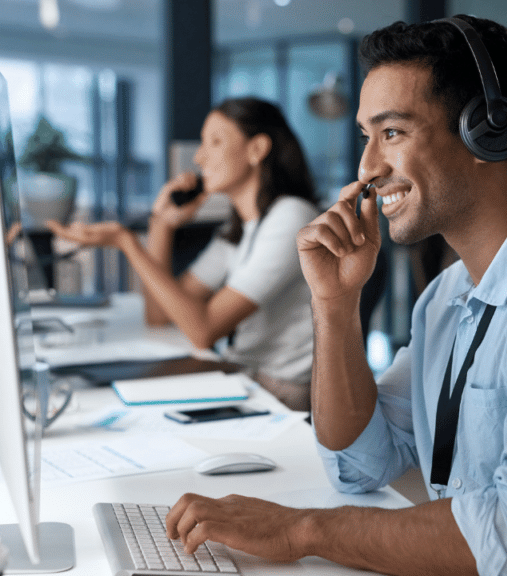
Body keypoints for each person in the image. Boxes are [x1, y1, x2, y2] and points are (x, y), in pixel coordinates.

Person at [163, 15, 507, 575]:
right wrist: (334, 305)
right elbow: (359, 463)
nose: (367, 168)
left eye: (392, 133)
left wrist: (301, 529)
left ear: (488, 132)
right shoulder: (447, 296)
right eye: (366, 138)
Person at [47, 97, 320, 411]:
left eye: (215, 142)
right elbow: (161, 315)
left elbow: (202, 330)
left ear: (256, 149)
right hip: (243, 375)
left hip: (280, 391)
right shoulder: (240, 227)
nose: (201, 158)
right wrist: (162, 225)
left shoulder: (291, 218)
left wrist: (128, 243)